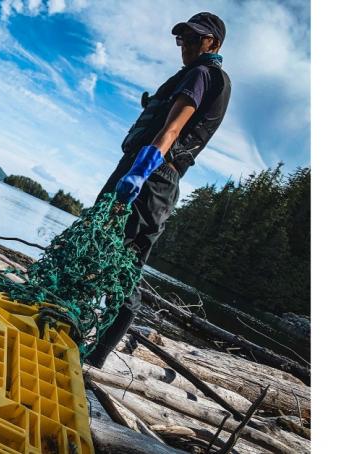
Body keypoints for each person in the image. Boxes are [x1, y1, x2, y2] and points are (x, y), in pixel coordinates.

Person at [86, 12, 232, 367]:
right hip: (154, 176)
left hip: (152, 176)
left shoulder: (201, 74)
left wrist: (138, 173)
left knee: (124, 263)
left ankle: (95, 357)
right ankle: (83, 333)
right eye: (182, 39)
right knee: (105, 250)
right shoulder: (200, 77)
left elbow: (171, 130)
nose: (185, 45)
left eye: (194, 39)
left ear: (212, 43)